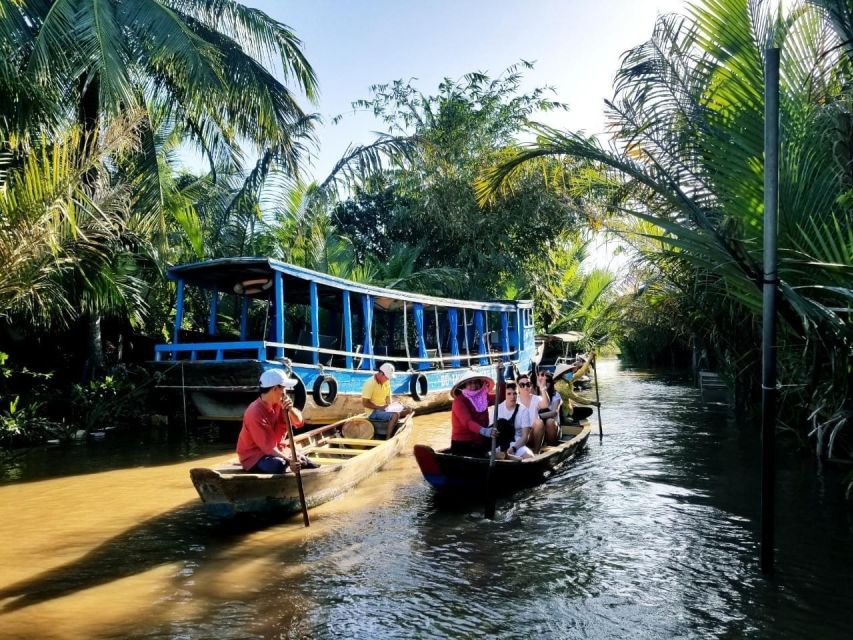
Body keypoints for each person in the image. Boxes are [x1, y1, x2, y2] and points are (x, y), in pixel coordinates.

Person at [236, 368, 308, 473]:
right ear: (275, 389)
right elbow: (269, 448)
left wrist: (290, 409)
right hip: (255, 457)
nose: (285, 392)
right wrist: (290, 460)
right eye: (284, 388)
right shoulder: (254, 412)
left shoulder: (281, 403)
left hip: (279, 450)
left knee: (306, 462)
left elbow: (299, 422)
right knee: (279, 465)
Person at [450, 371, 497, 457]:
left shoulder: (483, 397)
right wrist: (484, 431)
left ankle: (505, 450)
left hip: (479, 440)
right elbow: (468, 422)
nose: (474, 386)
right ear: (464, 386)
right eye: (470, 383)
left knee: (504, 425)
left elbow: (500, 397)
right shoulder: (459, 401)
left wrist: (501, 379)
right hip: (463, 444)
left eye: (476, 382)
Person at [361, 362, 412, 439]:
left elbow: (388, 397)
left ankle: (392, 421)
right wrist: (379, 407)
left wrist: (392, 407)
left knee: (408, 409)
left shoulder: (386, 382)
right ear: (381, 374)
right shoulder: (370, 383)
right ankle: (388, 438)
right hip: (373, 412)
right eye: (387, 377)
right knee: (396, 415)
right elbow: (365, 403)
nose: (388, 379)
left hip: (384, 409)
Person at [553, 352, 599, 424]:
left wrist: (589, 359)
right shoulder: (561, 385)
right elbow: (575, 397)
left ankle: (570, 417)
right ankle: (565, 419)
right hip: (561, 411)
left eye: (570, 372)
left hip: (568, 408)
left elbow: (581, 372)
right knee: (587, 411)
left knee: (588, 411)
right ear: (562, 375)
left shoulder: (568, 379)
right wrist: (592, 402)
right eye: (568, 372)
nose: (571, 373)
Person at [497, 382, 534, 459]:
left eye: (515, 393)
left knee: (530, 457)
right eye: (509, 394)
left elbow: (525, 436)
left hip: (516, 442)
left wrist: (513, 449)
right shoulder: (498, 408)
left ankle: (508, 457)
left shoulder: (523, 410)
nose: (512, 397)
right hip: (499, 442)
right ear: (504, 395)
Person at [516, 372, 549, 453]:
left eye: (528, 384)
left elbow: (546, 404)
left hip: (532, 435)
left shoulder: (536, 398)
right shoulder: (514, 400)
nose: (525, 387)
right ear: (518, 387)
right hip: (518, 436)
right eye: (522, 385)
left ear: (531, 385)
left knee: (539, 422)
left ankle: (536, 452)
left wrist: (542, 387)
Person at [536, 371, 562, 445]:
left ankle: (551, 446)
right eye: (542, 380)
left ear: (551, 383)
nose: (544, 382)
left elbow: (554, 412)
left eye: (547, 381)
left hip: (553, 427)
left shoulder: (556, 395)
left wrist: (538, 416)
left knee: (549, 421)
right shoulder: (535, 394)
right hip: (538, 427)